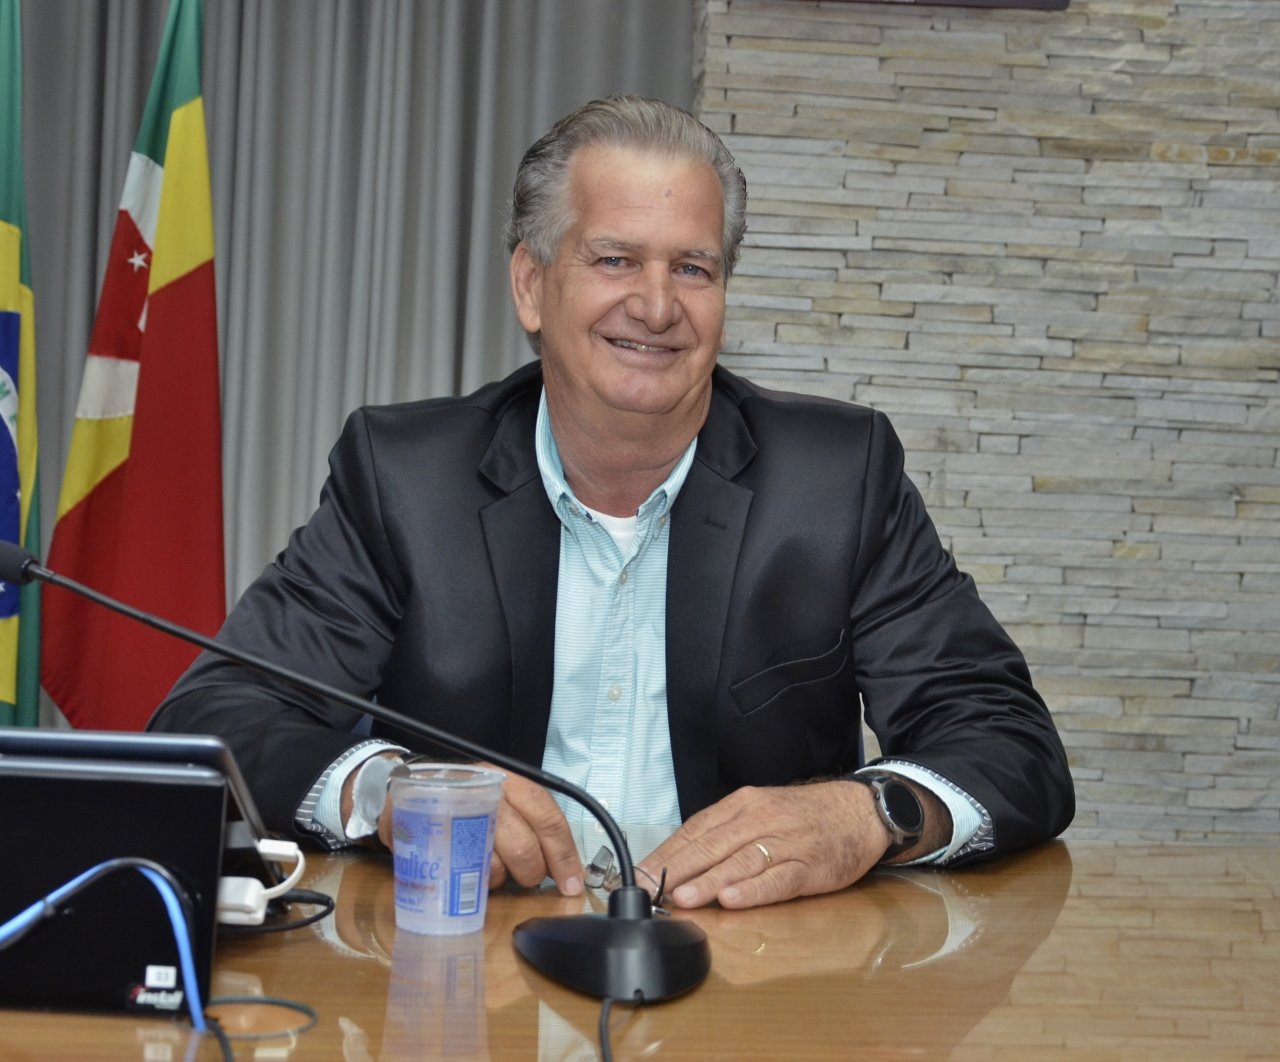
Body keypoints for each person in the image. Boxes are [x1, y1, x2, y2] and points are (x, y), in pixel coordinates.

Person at [151, 96, 1074, 911]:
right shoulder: (407, 479)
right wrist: (395, 790)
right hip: (477, 967)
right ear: (531, 284)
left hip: (755, 978)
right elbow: (211, 718)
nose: (657, 306)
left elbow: (1010, 740)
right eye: (616, 259)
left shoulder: (835, 480)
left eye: (694, 268)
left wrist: (865, 814)